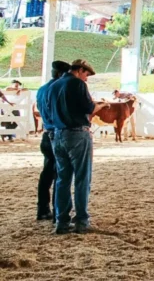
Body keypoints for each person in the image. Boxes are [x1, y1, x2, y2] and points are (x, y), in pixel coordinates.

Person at [50, 59, 106, 234]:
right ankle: (81, 220)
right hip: (77, 133)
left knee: (62, 179)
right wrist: (100, 104)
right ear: (80, 70)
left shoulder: (54, 85)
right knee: (82, 178)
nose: (86, 78)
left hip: (57, 134)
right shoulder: (78, 84)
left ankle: (61, 221)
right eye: (86, 74)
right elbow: (89, 108)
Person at [36, 61, 72, 222]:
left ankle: (43, 209)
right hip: (57, 134)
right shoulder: (59, 89)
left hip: (46, 133)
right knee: (61, 174)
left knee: (47, 173)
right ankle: (59, 212)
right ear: (60, 74)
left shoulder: (42, 89)